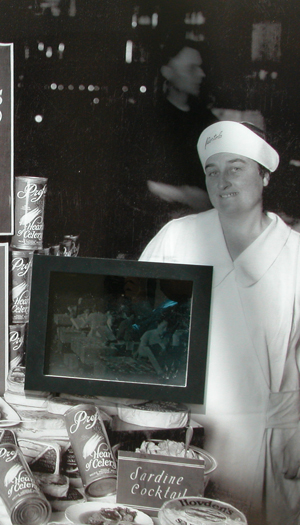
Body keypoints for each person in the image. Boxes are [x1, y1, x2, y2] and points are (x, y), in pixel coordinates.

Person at [140, 120, 300, 523]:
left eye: (236, 167)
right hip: (184, 440)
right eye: (212, 170)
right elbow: (132, 330)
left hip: (270, 443)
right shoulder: (178, 238)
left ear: (264, 174)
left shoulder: (295, 254)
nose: (222, 180)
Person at [116, 36, 218, 258]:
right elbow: (134, 185)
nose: (201, 74)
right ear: (167, 72)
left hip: (201, 239)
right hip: (152, 238)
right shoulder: (145, 119)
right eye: (192, 68)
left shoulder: (208, 123)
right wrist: (187, 195)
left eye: (201, 68)